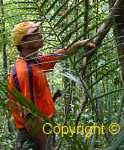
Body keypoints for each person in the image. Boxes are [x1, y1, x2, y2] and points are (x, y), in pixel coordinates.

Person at [7, 21, 95, 150]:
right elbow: (30, 116)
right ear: (23, 43)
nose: (40, 35)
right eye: (34, 33)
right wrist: (45, 146)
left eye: (38, 31)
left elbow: (58, 55)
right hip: (33, 135)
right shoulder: (25, 71)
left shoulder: (33, 61)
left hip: (44, 128)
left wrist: (79, 44)